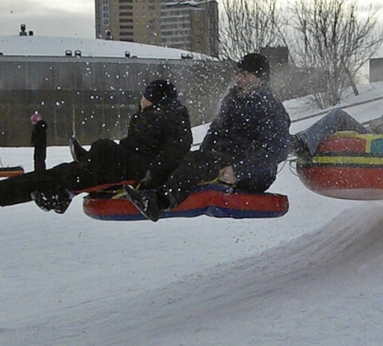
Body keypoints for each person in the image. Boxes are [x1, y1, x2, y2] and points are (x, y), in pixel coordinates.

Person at [0, 79, 193, 214]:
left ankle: (53, 194)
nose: (141, 99)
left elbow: (175, 152)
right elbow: (137, 144)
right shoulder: (151, 115)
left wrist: (149, 176)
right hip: (121, 161)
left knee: (66, 175)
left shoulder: (173, 118)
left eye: (145, 96)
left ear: (155, 99)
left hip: (131, 168)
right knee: (61, 173)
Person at [124, 53, 291, 222]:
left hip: (254, 173)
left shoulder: (270, 107)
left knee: (197, 161)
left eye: (244, 75)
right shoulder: (233, 100)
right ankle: (147, 190)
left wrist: (239, 171)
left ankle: (158, 202)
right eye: (237, 73)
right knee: (186, 159)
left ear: (260, 79)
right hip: (226, 159)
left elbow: (279, 149)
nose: (238, 79)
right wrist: (198, 158)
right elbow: (214, 132)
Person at [290, 83, 383, 159]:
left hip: (375, 142)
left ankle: (301, 143)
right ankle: (299, 142)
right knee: (333, 130)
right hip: (372, 139)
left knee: (339, 117)